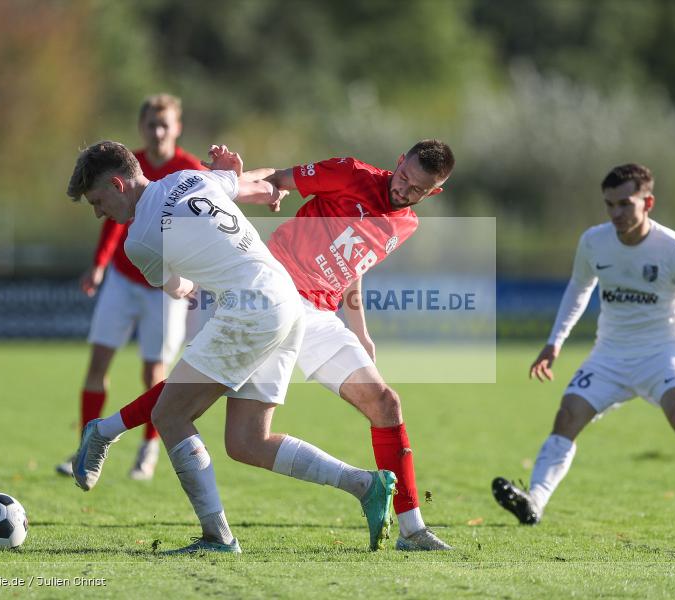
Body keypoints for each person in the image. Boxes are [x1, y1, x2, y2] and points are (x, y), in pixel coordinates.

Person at [85, 140, 458, 551]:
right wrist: (245, 185)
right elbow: (276, 179)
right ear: (398, 160)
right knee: (206, 403)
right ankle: (106, 431)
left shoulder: (405, 224)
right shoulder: (350, 172)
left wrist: (360, 330)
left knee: (384, 403)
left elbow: (352, 262)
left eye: (417, 189)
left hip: (317, 313)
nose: (405, 190)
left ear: (432, 193)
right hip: (271, 290)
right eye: (404, 177)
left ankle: (413, 530)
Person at [491, 163, 675, 526]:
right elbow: (579, 289)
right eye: (609, 205)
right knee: (567, 416)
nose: (616, 213)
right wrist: (554, 342)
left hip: (662, 355)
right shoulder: (594, 241)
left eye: (625, 204)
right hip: (609, 355)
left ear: (648, 202)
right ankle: (534, 501)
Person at [56, 94, 203, 480]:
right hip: (123, 278)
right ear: (142, 128)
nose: (157, 131)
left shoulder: (187, 169)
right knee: (97, 365)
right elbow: (109, 220)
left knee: (154, 372)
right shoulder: (125, 168)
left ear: (177, 128)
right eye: (151, 125)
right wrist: (100, 266)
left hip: (164, 286)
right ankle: (83, 450)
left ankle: (148, 449)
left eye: (164, 124)